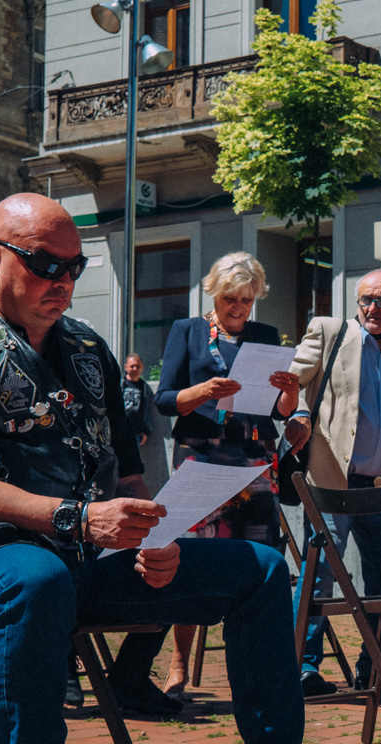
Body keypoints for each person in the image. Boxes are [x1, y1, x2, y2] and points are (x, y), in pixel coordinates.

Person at [0, 193, 377, 744]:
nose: (61, 279)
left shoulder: (89, 352)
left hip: (84, 559)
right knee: (34, 580)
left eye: (73, 266)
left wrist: (157, 537)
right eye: (43, 264)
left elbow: (125, 475)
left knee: (264, 570)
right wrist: (74, 517)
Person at [110, 251, 294, 709]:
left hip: (254, 458)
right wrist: (205, 392)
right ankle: (175, 665)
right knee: (185, 558)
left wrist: (290, 393)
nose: (238, 309)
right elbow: (167, 399)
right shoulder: (188, 331)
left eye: (247, 301)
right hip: (201, 457)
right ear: (215, 292)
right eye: (231, 298)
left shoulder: (265, 336)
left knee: (260, 559)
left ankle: (252, 669)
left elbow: (277, 410)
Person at [279, 268, 381, 699]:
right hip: (330, 479)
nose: (373, 308)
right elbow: (293, 384)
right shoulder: (329, 331)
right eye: (366, 300)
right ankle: (302, 668)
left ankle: (374, 668)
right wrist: (298, 413)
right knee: (320, 571)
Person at [121, 354, 152, 448]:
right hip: (119, 431)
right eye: (132, 366)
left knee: (134, 462)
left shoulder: (145, 388)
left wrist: (146, 431)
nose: (135, 369)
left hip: (136, 434)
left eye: (138, 366)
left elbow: (147, 411)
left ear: (142, 367)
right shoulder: (119, 385)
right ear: (126, 367)